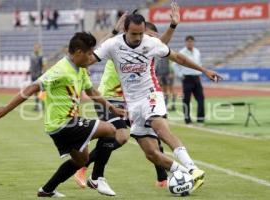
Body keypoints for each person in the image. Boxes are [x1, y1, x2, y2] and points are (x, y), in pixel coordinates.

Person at [88, 11, 222, 196]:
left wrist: (204, 70)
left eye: (141, 34)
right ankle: (184, 174)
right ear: (124, 30)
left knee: (160, 127)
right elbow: (89, 59)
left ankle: (192, 169)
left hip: (151, 94)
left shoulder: (151, 43)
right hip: (132, 104)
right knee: (151, 153)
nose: (138, 38)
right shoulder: (113, 45)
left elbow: (178, 58)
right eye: (134, 34)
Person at [0, 32, 125, 198]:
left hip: (60, 126)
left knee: (81, 161)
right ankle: (97, 177)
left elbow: (92, 91)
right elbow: (32, 87)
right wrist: (6, 109)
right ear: (78, 52)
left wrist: (111, 107)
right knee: (110, 130)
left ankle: (46, 190)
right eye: (89, 53)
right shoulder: (60, 70)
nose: (91, 58)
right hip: (64, 124)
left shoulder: (81, 69)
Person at [74, 5, 181, 194]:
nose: (143, 40)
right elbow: (98, 51)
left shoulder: (145, 47)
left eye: (146, 37)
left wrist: (172, 26)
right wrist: (114, 31)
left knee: (152, 136)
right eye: (139, 35)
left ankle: (162, 179)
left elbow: (161, 45)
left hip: (131, 101)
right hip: (109, 97)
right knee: (119, 136)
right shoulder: (118, 46)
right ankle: (84, 167)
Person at [176, 36, 205, 124]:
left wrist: (200, 73)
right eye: (188, 42)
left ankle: (200, 118)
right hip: (187, 78)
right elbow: (175, 65)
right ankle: (187, 119)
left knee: (201, 98)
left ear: (193, 42)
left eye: (191, 42)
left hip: (196, 77)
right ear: (185, 43)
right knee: (186, 99)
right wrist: (180, 75)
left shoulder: (197, 51)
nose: (190, 43)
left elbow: (199, 63)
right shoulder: (182, 52)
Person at [30, 43, 44, 111]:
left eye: (37, 48)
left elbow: (43, 66)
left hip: (39, 76)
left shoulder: (41, 56)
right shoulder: (31, 56)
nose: (36, 49)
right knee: (34, 91)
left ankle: (43, 104)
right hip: (33, 76)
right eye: (35, 47)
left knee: (41, 90)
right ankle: (37, 105)